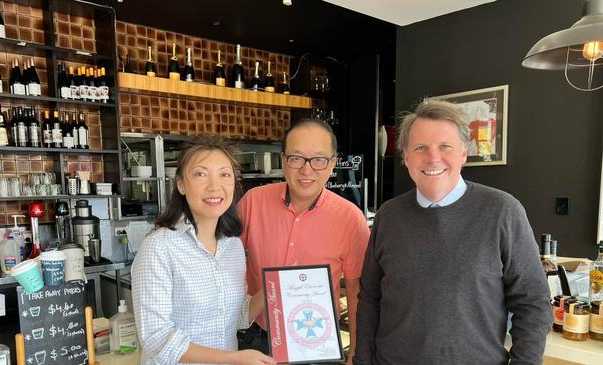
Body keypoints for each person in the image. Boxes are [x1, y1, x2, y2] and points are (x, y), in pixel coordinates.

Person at [354, 100, 552, 364]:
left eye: (445, 146)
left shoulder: (503, 211)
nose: (433, 157)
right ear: (406, 157)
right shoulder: (388, 215)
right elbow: (370, 298)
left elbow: (533, 302)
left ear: (463, 153)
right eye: (420, 147)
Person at [131, 135, 276, 365]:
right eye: (200, 174)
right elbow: (156, 339)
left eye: (224, 174)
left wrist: (276, 286)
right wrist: (232, 358)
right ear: (180, 184)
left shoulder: (233, 246)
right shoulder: (159, 247)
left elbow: (236, 317)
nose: (214, 186)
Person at [238, 118, 370, 363]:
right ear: (283, 160)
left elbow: (356, 290)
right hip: (258, 338)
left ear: (332, 165)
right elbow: (222, 259)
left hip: (316, 341)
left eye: (319, 160)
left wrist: (354, 352)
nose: (307, 170)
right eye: (296, 158)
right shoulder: (252, 202)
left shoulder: (350, 218)